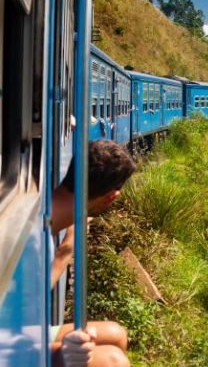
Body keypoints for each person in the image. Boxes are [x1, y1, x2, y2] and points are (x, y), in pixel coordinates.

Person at [49, 140, 136, 367]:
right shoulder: (29, 235)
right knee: (112, 361)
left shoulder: (44, 212)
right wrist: (57, 355)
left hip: (16, 331)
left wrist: (66, 249)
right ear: (111, 197)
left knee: (116, 333)